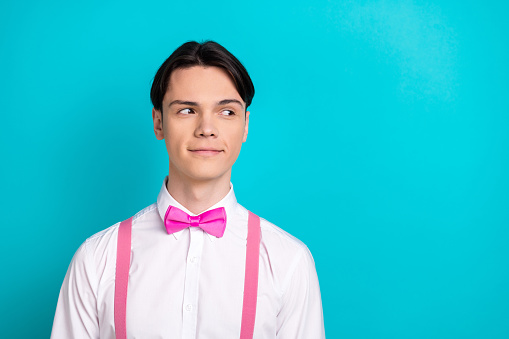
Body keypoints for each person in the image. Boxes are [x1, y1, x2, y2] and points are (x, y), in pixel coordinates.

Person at [51, 40, 325, 338]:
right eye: (186, 110)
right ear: (158, 122)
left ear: (246, 125)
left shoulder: (288, 261)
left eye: (227, 112)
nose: (206, 128)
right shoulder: (95, 260)